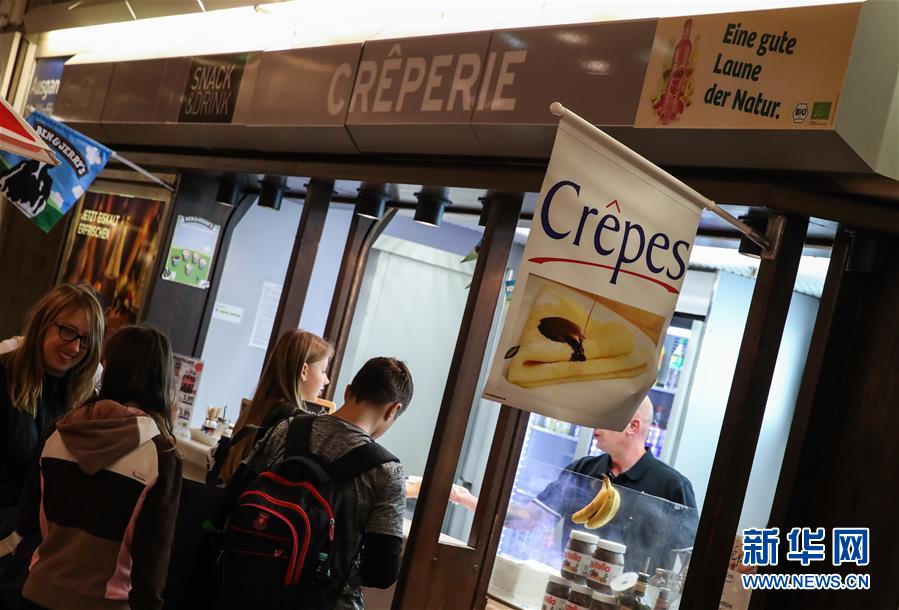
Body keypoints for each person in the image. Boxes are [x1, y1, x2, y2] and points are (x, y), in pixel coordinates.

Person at [15, 325, 182, 610]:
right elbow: (150, 568)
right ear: (163, 378)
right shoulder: (161, 455)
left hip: (36, 592)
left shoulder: (60, 430)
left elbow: (26, 523)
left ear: (108, 367)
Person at [242, 356, 412, 610]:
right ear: (393, 409)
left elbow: (240, 493)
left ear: (347, 392)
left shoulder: (286, 428)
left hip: (248, 583)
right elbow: (382, 572)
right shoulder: (386, 471)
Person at [450, 397, 697, 570]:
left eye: (606, 416)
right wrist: (468, 500)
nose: (595, 423)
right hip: (567, 594)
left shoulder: (672, 486)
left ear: (632, 426)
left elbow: (686, 562)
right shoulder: (583, 470)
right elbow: (528, 519)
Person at [0, 284, 104, 606]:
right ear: (44, 323)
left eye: (85, 339)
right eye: (68, 331)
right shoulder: (4, 376)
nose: (74, 347)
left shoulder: (82, 401)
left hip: (41, 555)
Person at [216, 328, 333, 484]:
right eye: (323, 371)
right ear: (304, 371)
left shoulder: (256, 408)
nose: (326, 380)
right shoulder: (295, 422)